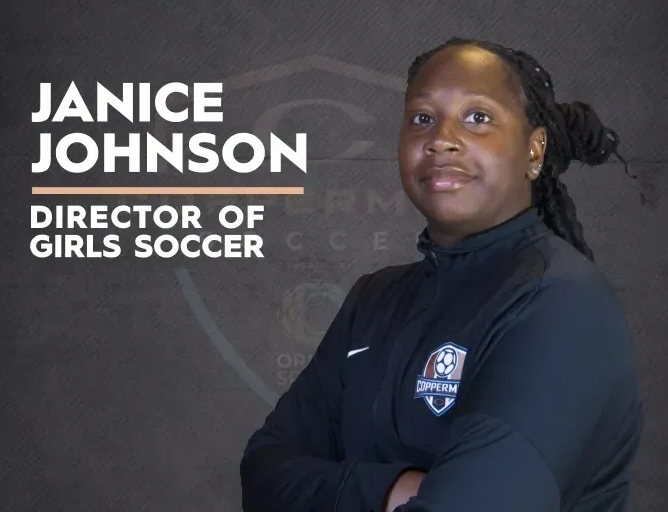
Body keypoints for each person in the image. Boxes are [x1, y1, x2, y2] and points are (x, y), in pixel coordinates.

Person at [239, 37, 644, 512]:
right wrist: (395, 489)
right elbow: (263, 473)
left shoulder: (562, 305)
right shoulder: (374, 299)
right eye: (422, 119)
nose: (440, 138)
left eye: (478, 117)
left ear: (534, 151)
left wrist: (339, 490)